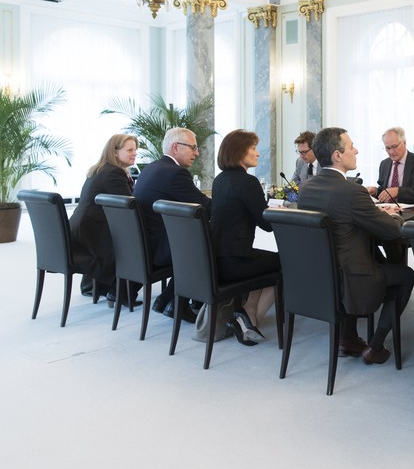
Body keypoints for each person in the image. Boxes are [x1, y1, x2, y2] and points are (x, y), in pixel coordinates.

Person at [299, 127, 414, 364]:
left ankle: (348, 338)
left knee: (372, 256)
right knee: (406, 275)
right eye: (351, 147)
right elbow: (392, 230)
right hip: (352, 278)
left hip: (323, 275)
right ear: (337, 155)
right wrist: (392, 214)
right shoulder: (352, 191)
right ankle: (375, 346)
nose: (357, 150)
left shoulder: (306, 188)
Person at [210, 129, 281, 345]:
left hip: (216, 260)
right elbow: (266, 224)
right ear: (238, 152)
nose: (257, 153)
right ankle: (249, 316)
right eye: (253, 148)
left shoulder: (219, 180)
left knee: (266, 259)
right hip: (235, 262)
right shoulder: (247, 182)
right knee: (285, 262)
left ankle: (247, 314)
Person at [134, 127, 212, 324]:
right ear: (176, 147)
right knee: (206, 244)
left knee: (196, 240)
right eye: (193, 147)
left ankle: (166, 299)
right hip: (161, 248)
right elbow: (206, 207)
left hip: (143, 245)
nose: (197, 152)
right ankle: (180, 302)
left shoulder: (151, 168)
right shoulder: (175, 173)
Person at [70, 134, 142, 307]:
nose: (135, 154)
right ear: (115, 152)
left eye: (135, 150)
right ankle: (120, 291)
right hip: (91, 234)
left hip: (81, 229)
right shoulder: (114, 173)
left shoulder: (101, 169)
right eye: (130, 150)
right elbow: (129, 207)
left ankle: (103, 287)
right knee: (140, 242)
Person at [367, 126, 414, 204]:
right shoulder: (384, 164)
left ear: (404, 143)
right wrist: (376, 191)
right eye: (388, 148)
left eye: (394, 147)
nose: (391, 152)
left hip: (411, 212)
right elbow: (385, 191)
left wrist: (399, 191)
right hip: (387, 212)